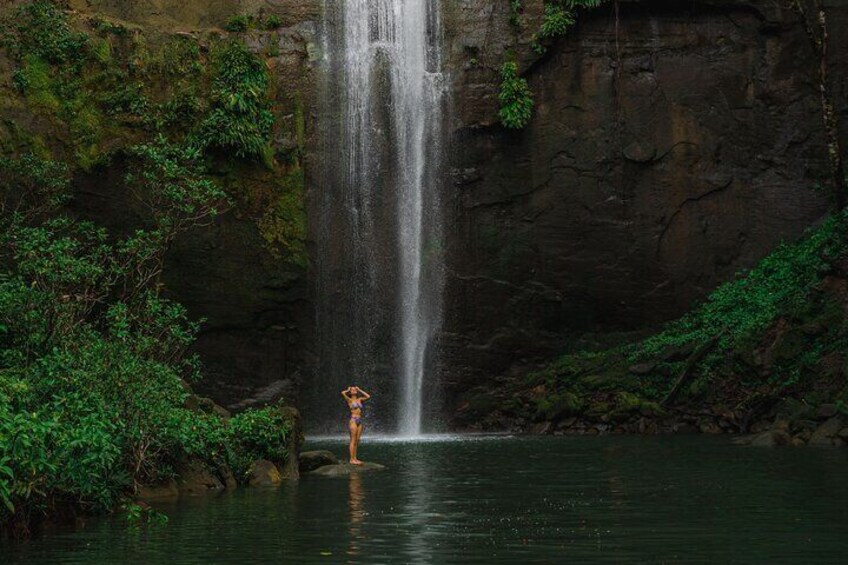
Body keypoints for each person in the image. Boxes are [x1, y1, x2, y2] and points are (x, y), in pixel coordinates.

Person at [341, 385, 371, 465]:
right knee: (353, 440)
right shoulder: (349, 400)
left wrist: (360, 389)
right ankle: (351, 459)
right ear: (350, 392)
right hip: (353, 420)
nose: (354, 390)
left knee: (357, 441)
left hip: (359, 421)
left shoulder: (360, 399)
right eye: (352, 390)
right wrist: (347, 390)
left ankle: (355, 458)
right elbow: (342, 393)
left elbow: (368, 396)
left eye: (355, 389)